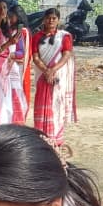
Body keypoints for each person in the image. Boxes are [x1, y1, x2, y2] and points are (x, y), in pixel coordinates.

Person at [31, 8, 76, 146]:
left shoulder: (64, 36)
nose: (51, 21)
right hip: (42, 76)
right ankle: (42, 136)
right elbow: (35, 57)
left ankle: (56, 138)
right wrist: (46, 71)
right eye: (48, 18)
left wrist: (52, 70)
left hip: (58, 75)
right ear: (44, 19)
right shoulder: (37, 37)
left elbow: (66, 55)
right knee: (41, 104)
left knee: (57, 105)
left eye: (54, 18)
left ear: (58, 20)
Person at [0, 0, 29, 125]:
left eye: (5, 7)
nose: (2, 10)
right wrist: (8, 44)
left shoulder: (6, 30)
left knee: (5, 102)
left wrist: (11, 55)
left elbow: (21, 52)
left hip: (5, 70)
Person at [6, 3, 33, 122]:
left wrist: (11, 55)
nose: (9, 19)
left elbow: (23, 52)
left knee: (17, 95)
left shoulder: (21, 32)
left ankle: (17, 120)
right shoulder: (9, 30)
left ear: (18, 16)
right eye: (8, 16)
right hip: (8, 67)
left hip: (18, 69)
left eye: (11, 16)